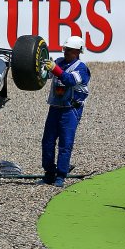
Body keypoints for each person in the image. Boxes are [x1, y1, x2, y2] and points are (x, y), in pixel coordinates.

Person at [39, 36, 90, 188]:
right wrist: (42, 66)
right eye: (65, 49)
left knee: (65, 144)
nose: (65, 52)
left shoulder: (82, 68)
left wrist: (54, 68)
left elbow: (70, 80)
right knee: (47, 142)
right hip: (55, 108)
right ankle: (49, 174)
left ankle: (61, 175)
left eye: (69, 50)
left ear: (78, 51)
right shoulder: (60, 62)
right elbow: (45, 75)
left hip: (71, 110)